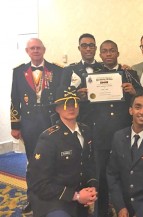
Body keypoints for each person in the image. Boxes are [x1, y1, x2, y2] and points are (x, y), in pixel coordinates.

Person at [92, 40, 143, 217]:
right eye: (104, 51)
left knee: (125, 176)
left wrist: (134, 92)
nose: (108, 54)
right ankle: (101, 212)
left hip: (124, 134)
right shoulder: (93, 76)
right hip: (100, 135)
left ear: (117, 53)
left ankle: (126, 211)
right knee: (101, 178)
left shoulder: (130, 73)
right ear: (100, 55)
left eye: (112, 51)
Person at [27, 86, 98, 217]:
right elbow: (38, 183)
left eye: (74, 103)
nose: (71, 107)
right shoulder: (48, 138)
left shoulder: (86, 130)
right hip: (53, 199)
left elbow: (89, 164)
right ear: (56, 108)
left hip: (78, 195)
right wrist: (75, 196)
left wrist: (91, 186)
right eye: (65, 104)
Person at [10, 38, 63, 213]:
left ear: (44, 49)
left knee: (53, 161)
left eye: (38, 48)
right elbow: (14, 100)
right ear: (27, 51)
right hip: (29, 125)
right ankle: (32, 198)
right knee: (33, 163)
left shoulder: (56, 70)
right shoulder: (19, 72)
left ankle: (54, 197)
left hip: (51, 122)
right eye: (32, 48)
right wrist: (15, 125)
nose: (36, 51)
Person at [60, 33, 105, 99]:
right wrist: (76, 94)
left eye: (91, 45)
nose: (88, 49)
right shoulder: (69, 70)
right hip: (80, 108)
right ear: (79, 48)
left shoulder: (104, 68)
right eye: (84, 46)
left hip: (101, 108)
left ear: (95, 48)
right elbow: (61, 93)